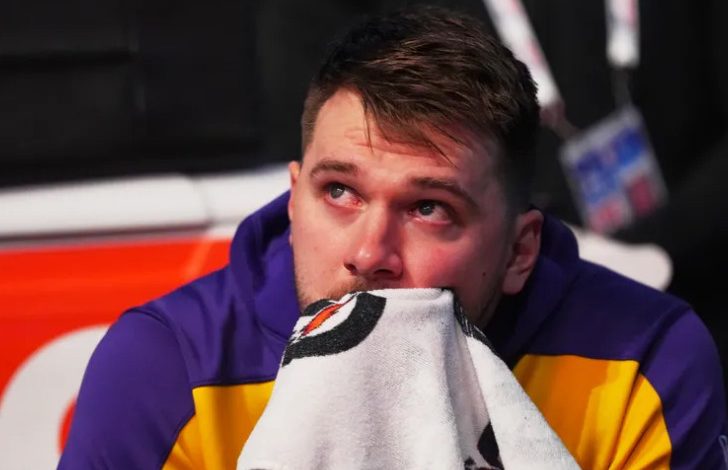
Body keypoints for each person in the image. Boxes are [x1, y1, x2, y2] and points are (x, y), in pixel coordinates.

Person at [60, 6, 727, 469]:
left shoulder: (646, 363)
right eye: (339, 192)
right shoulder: (165, 367)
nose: (368, 254)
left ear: (520, 251)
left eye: (429, 208)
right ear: (293, 199)